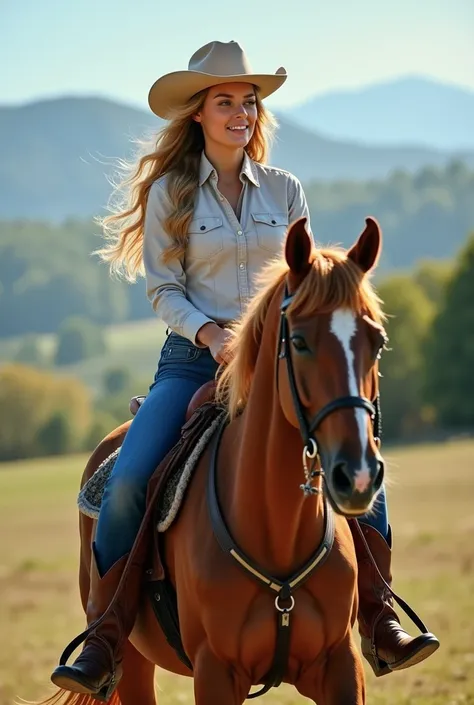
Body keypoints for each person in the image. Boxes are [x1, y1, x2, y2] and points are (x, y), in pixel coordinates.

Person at [50, 40, 439, 698]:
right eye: (224, 102)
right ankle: (107, 634)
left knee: (362, 465)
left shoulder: (286, 190)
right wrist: (211, 333)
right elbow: (162, 289)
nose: (240, 113)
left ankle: (377, 615)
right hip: (191, 359)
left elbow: (306, 281)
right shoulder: (173, 191)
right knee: (126, 480)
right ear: (199, 113)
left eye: (248, 102)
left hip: (282, 358)